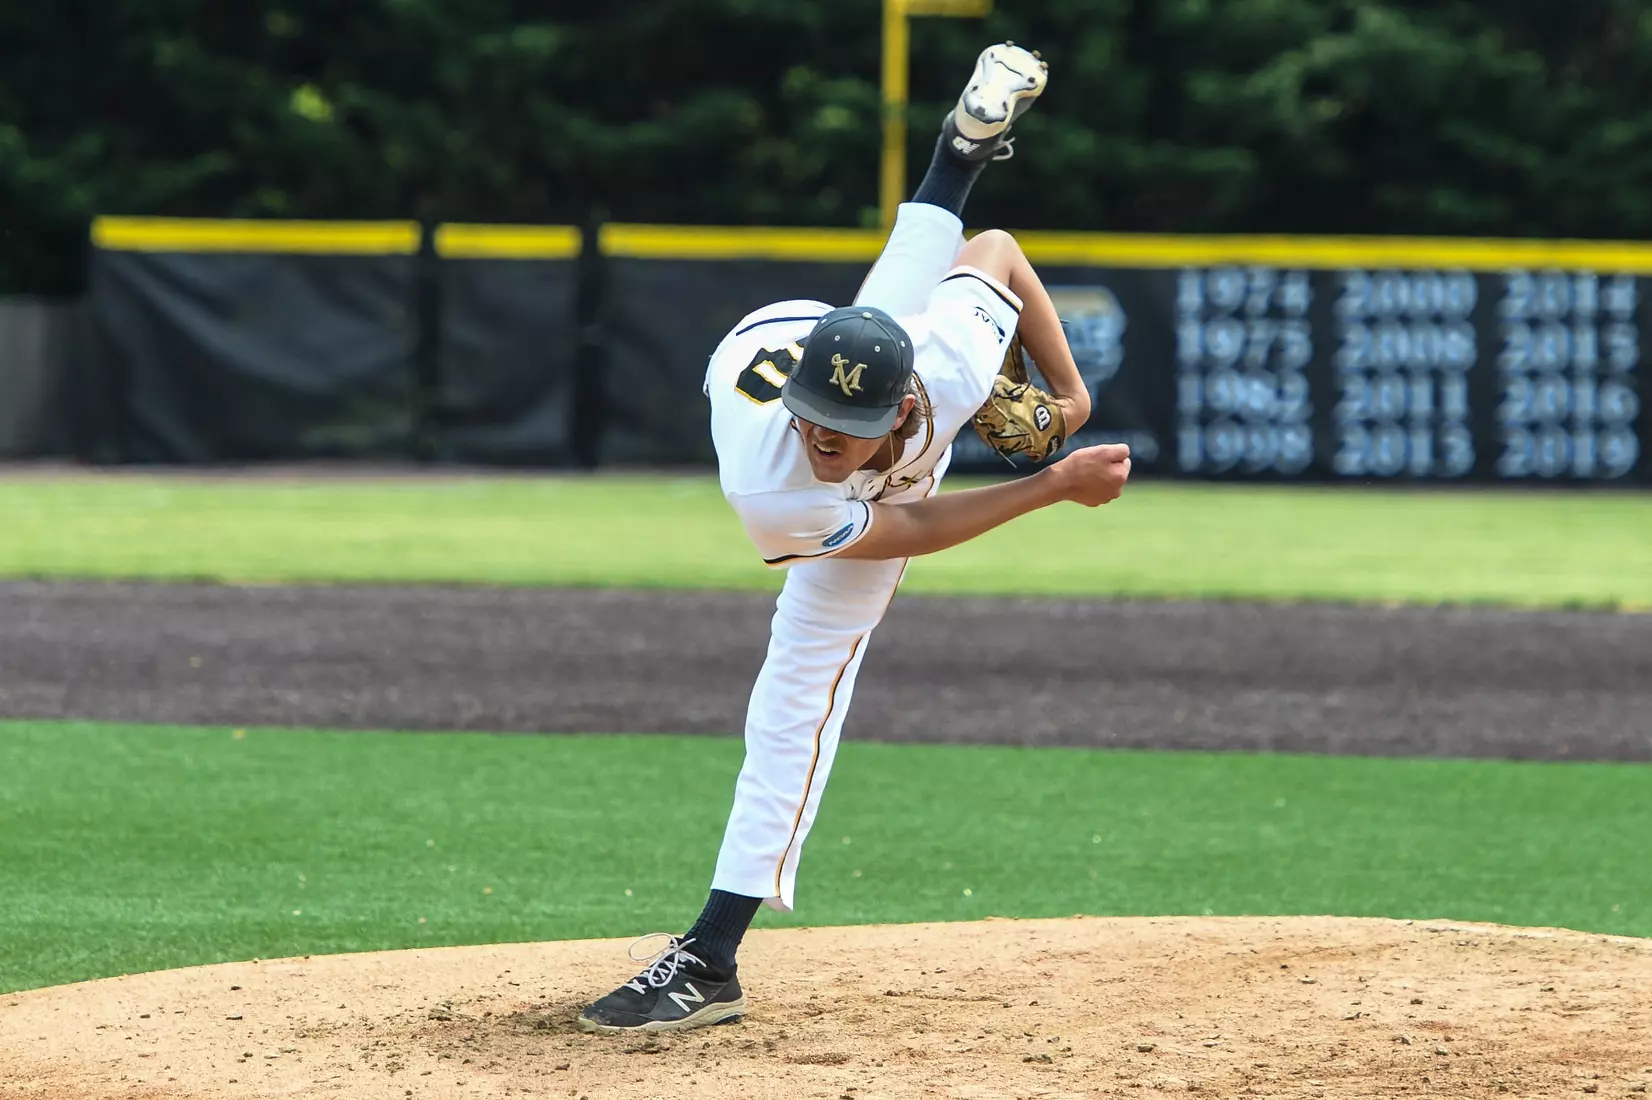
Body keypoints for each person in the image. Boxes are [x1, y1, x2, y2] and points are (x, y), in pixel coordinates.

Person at [579, 41, 1131, 1034]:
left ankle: (958, 147)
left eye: (841, 431)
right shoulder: (776, 475)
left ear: (897, 408)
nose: (821, 441)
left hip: (876, 348)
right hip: (777, 343)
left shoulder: (948, 362)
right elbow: (905, 522)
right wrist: (1049, 481)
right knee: (797, 686)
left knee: (925, 240)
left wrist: (1069, 392)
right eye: (813, 424)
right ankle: (710, 957)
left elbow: (997, 250)